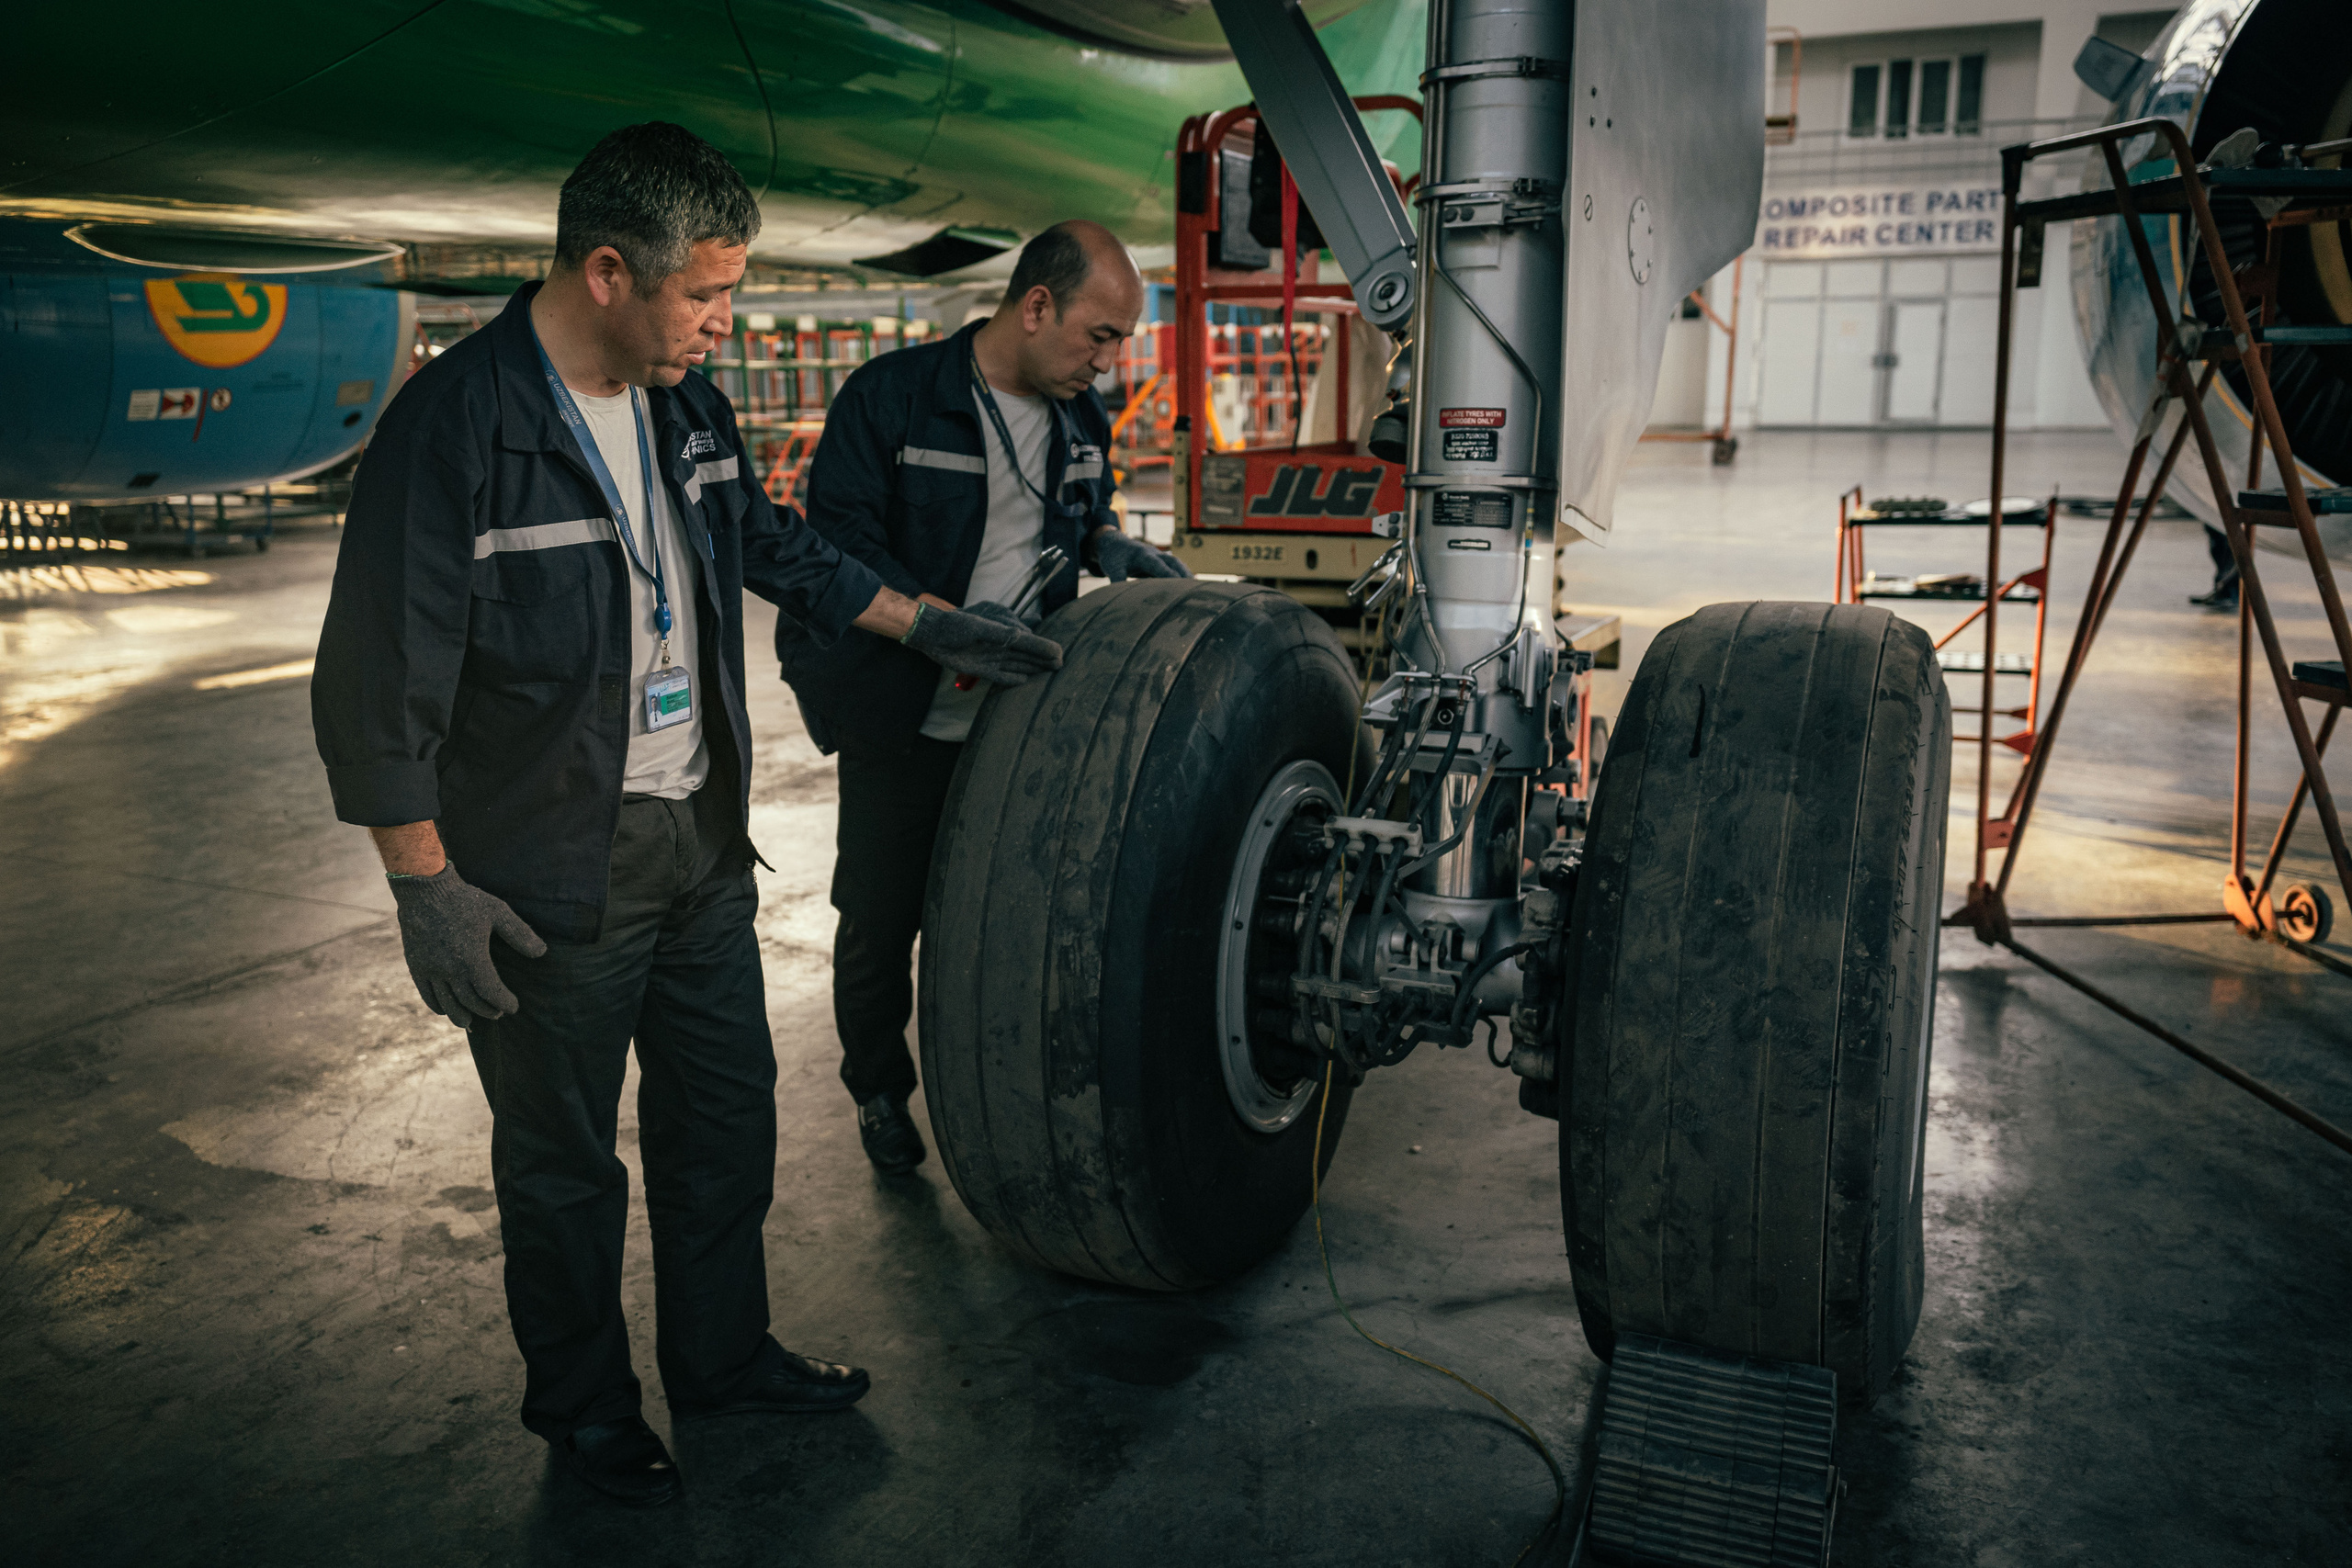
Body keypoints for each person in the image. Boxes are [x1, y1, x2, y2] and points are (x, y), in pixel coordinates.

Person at [310, 122, 1061, 1506]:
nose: (726, 321)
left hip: (702, 840)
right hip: (546, 865)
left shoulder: (686, 405)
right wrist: (424, 879)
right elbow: (377, 674)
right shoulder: (459, 427)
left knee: (727, 1125)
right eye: (706, 295)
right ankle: (586, 1406)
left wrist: (928, 619)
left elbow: (771, 547)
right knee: (564, 1164)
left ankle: (724, 1357)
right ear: (609, 271)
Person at [778, 221, 1191, 1172]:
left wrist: (1110, 546)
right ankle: (879, 1090)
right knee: (882, 918)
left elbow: (1080, 516)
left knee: (1012, 915)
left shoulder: (1078, 415)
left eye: (1121, 340)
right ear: (1035, 306)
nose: (1110, 359)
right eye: (1100, 334)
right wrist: (931, 623)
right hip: (903, 712)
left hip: (1020, 720)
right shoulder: (895, 400)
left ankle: (999, 1086)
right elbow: (833, 547)